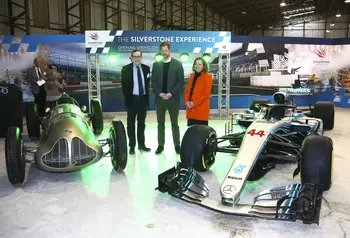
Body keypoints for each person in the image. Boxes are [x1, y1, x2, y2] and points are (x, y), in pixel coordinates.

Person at [151, 42, 184, 154]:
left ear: (169, 50)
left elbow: (180, 81)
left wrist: (171, 93)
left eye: (166, 50)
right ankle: (160, 145)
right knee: (160, 123)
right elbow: (153, 81)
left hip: (173, 99)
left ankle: (177, 145)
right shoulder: (156, 65)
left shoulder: (178, 64)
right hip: (160, 99)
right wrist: (159, 93)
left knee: (174, 124)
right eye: (162, 50)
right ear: (160, 51)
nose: (164, 52)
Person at [121, 49, 151, 155]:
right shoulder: (125, 69)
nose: (137, 58)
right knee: (131, 124)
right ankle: (132, 146)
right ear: (131, 57)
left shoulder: (147, 68)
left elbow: (147, 85)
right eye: (135, 56)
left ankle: (141, 145)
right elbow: (124, 86)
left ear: (141, 57)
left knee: (142, 124)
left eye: (139, 56)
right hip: (132, 100)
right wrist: (129, 98)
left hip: (143, 100)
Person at [184, 57, 213, 126]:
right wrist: (186, 102)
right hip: (191, 108)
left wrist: (194, 103)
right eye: (196, 64)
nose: (197, 66)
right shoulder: (192, 76)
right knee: (192, 129)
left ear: (203, 66)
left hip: (201, 108)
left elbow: (206, 94)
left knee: (201, 131)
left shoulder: (208, 77)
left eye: (200, 64)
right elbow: (188, 91)